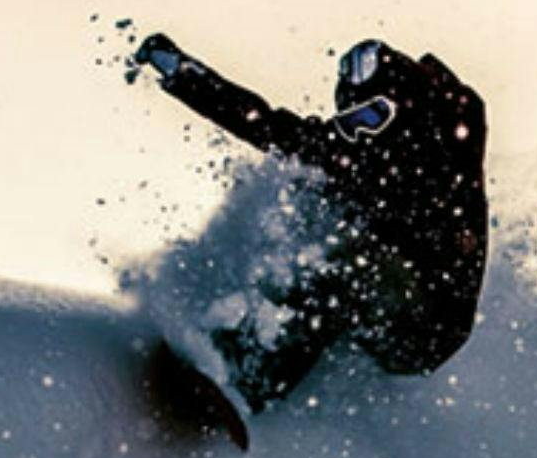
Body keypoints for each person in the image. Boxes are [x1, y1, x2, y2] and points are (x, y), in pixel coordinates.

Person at [131, 32, 488, 408]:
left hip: (428, 321)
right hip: (388, 295)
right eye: (355, 120)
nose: (365, 130)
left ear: (406, 105)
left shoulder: (445, 151)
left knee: (336, 271)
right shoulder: (352, 156)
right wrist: (185, 74)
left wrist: (414, 88)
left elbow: (460, 112)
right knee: (294, 234)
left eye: (375, 115)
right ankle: (228, 336)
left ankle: (251, 386)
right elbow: (262, 124)